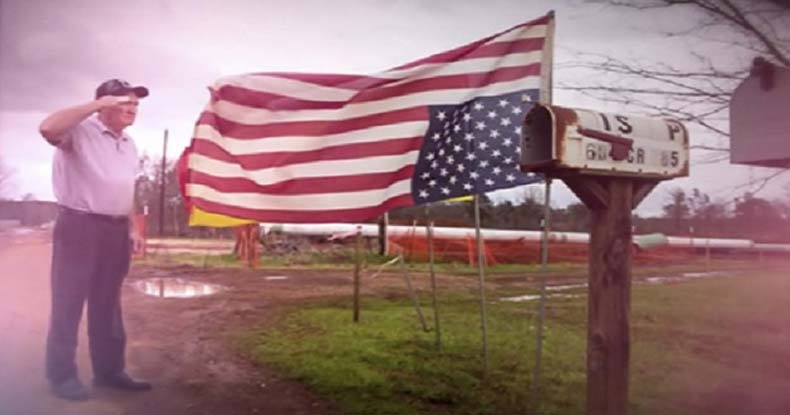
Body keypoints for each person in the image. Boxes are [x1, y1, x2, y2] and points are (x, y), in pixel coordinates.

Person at [38, 79, 152, 401]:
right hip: (79, 226)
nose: (132, 109)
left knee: (107, 303)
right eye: (125, 102)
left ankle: (110, 371)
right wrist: (97, 105)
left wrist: (133, 228)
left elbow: (124, 188)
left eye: (136, 104)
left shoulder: (129, 143)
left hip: (115, 230)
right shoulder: (78, 132)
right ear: (104, 104)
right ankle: (62, 376)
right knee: (68, 302)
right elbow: (47, 128)